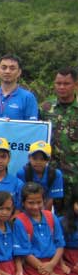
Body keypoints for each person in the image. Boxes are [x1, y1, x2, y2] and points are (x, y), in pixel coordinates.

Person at [17, 182, 78, 275]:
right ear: (23, 203)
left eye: (39, 202)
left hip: (53, 262)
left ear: (44, 201)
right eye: (31, 203)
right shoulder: (20, 221)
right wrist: (52, 274)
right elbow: (26, 253)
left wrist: (54, 264)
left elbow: (60, 243)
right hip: (35, 267)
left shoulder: (50, 217)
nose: (35, 206)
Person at [40, 68, 77, 212]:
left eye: (66, 83)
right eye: (58, 83)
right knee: (49, 218)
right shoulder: (46, 108)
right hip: (51, 174)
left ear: (76, 85)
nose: (61, 87)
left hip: (75, 177)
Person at [0, 54, 38, 121]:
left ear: (19, 72)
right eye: (4, 68)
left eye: (12, 68)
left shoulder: (28, 97)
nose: (7, 71)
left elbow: (32, 127)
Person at [16, 141, 63, 211]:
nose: (38, 162)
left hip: (45, 207)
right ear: (29, 158)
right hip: (26, 208)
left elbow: (50, 198)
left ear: (48, 160)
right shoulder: (22, 173)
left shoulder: (55, 174)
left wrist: (44, 216)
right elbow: (20, 198)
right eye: (35, 158)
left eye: (42, 159)